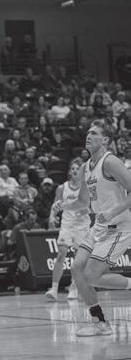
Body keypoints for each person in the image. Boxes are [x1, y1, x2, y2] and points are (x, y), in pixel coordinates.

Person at [57, 120, 131, 337]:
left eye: (94, 133)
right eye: (88, 132)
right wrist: (64, 205)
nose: (88, 136)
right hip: (99, 226)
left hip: (119, 227)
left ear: (105, 139)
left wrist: (114, 210)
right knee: (77, 269)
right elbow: (83, 201)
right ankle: (99, 322)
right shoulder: (84, 167)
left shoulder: (111, 162)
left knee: (90, 276)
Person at [45, 158, 90, 301]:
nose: (75, 171)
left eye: (78, 169)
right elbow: (56, 205)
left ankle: (74, 286)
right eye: (73, 168)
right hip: (67, 224)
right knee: (61, 254)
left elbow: (91, 206)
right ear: (70, 171)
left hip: (82, 225)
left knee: (78, 259)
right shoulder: (62, 188)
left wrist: (85, 211)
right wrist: (52, 217)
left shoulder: (86, 187)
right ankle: (54, 289)